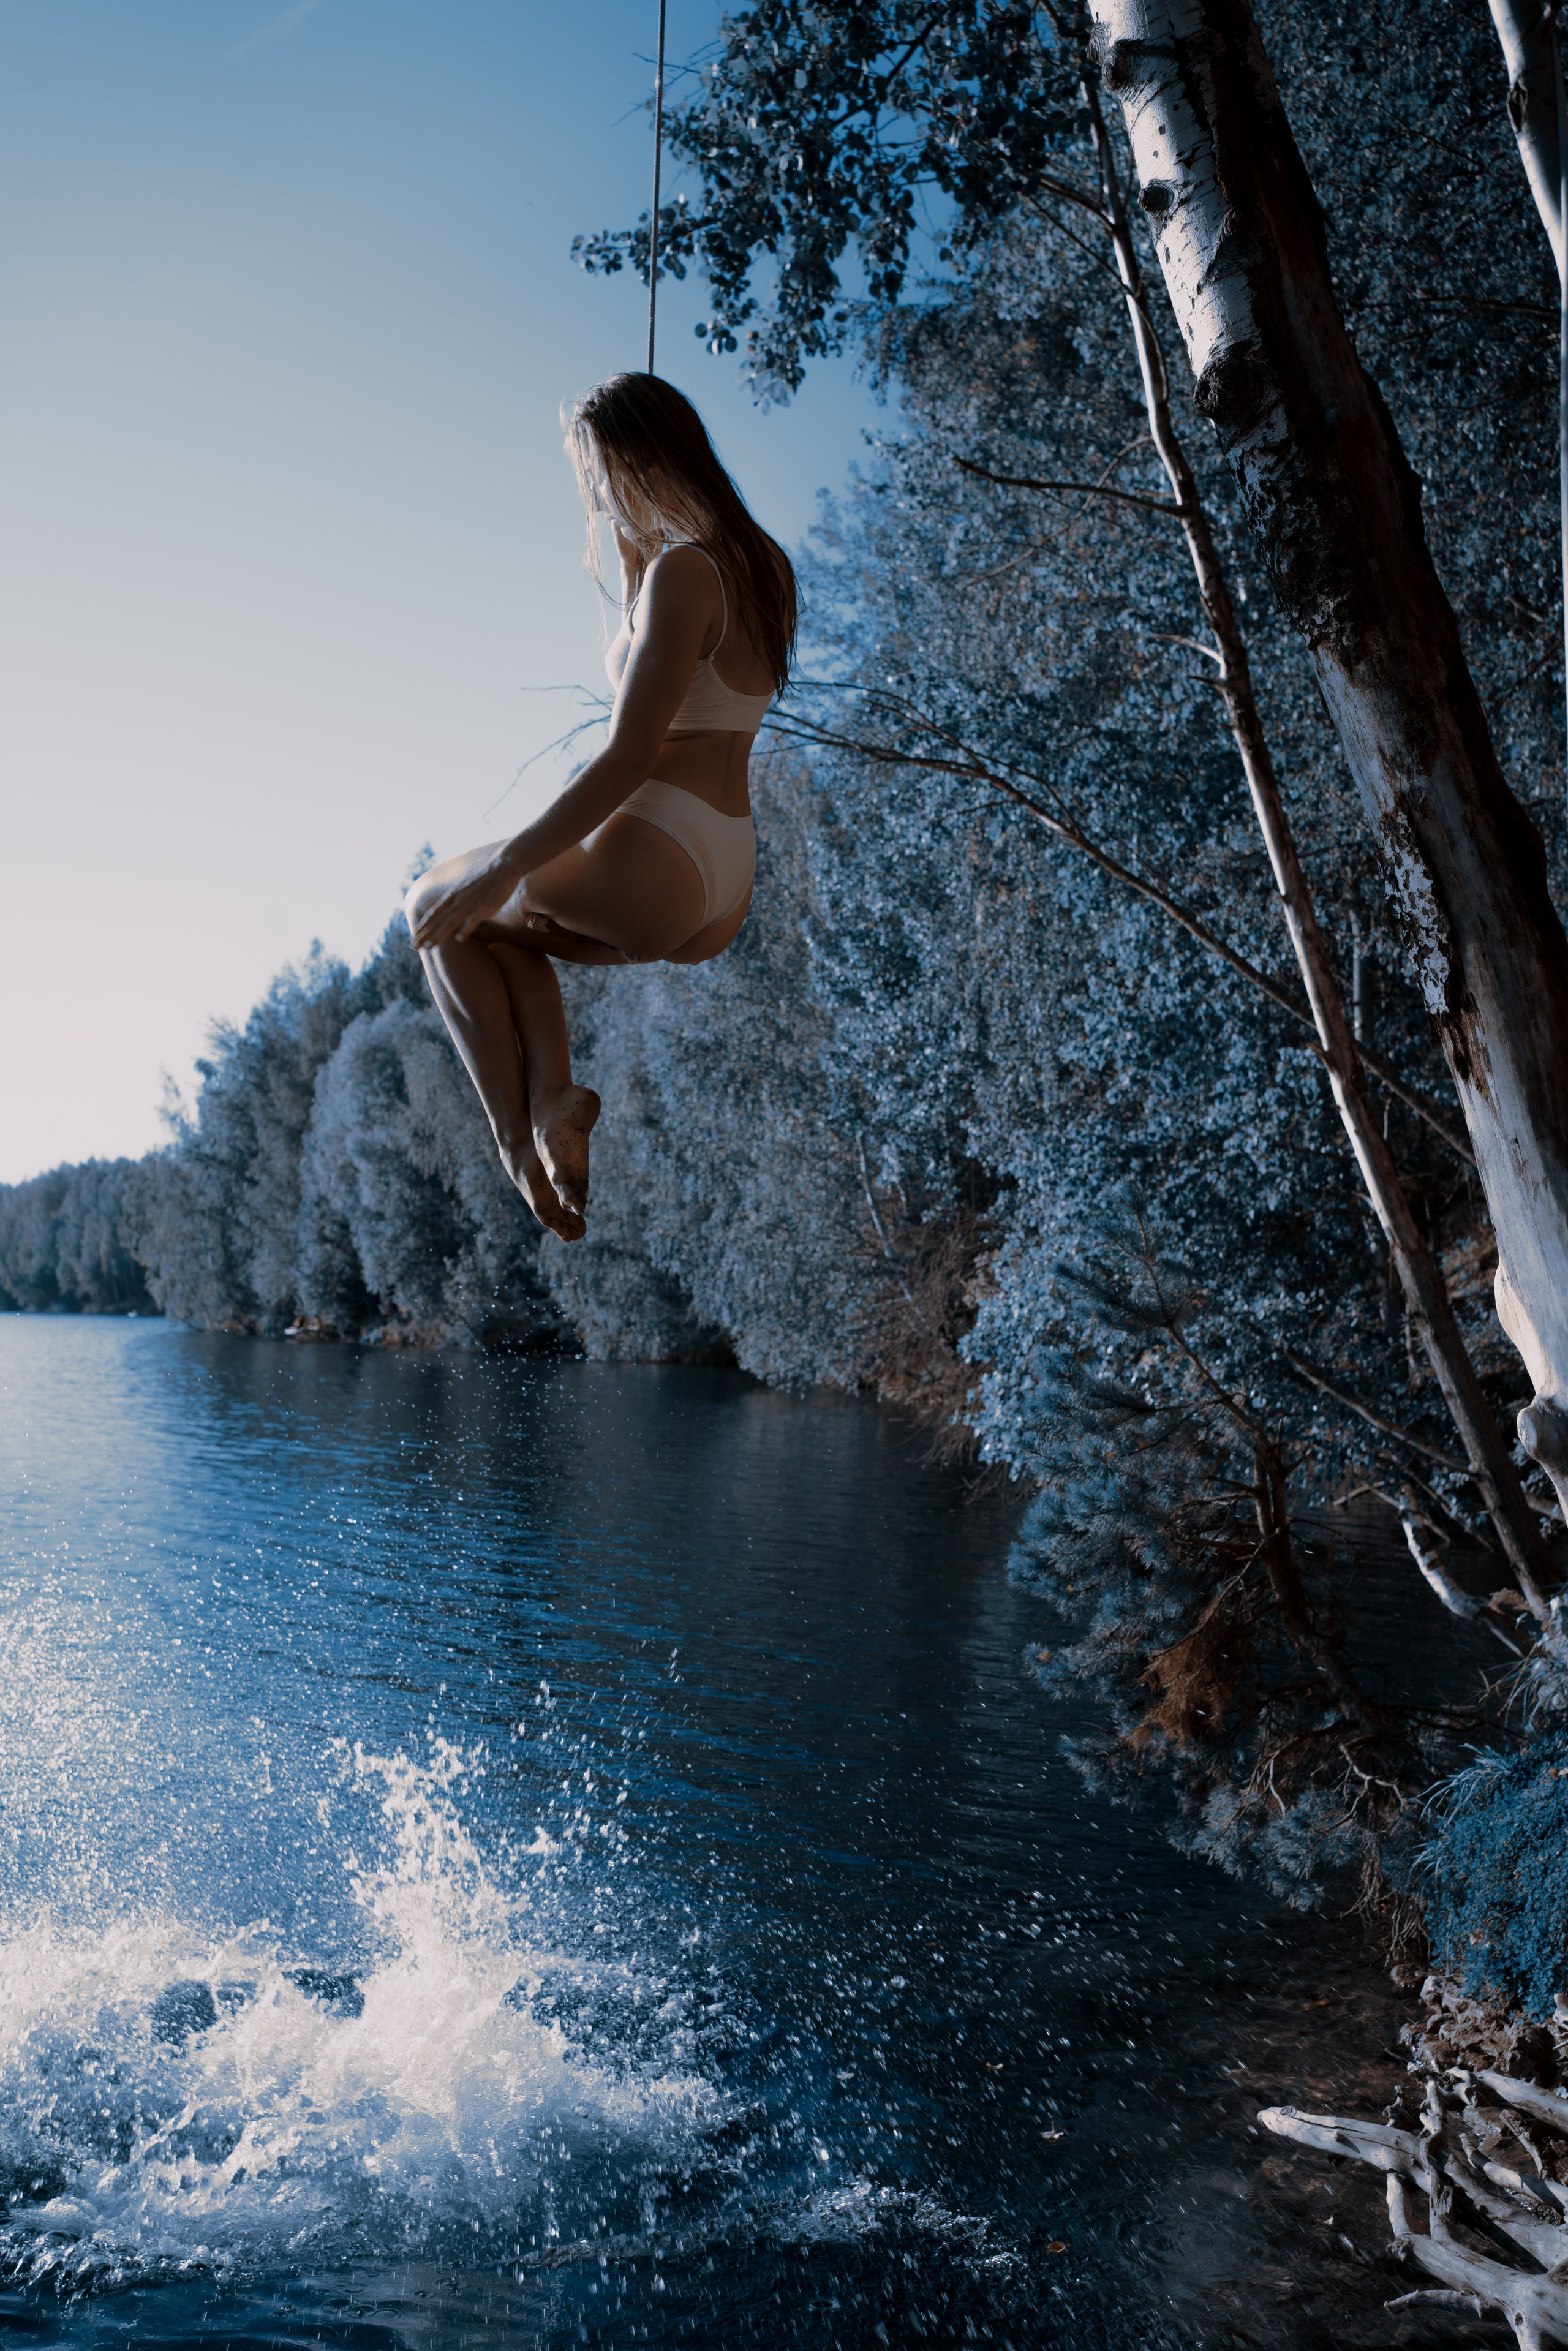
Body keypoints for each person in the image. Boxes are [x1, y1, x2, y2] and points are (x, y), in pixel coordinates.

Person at [404, 374, 797, 1242]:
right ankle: (554, 1100)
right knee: (498, 936)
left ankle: (517, 1148)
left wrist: (507, 866)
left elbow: (628, 756)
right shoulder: (766, 567)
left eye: (596, 474)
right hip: (722, 881)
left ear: (627, 463)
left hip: (654, 849)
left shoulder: (683, 572)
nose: (595, 494)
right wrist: (631, 574)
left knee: (435, 906)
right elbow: (697, 689)